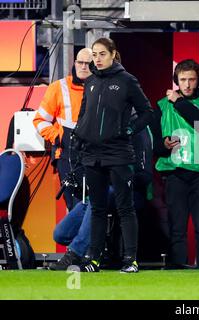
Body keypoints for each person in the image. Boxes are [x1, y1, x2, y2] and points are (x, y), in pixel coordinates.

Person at [73, 38, 153, 273]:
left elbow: (147, 113)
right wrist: (79, 138)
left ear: (113, 54)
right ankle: (94, 260)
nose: (96, 59)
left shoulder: (127, 80)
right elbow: (83, 114)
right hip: (92, 155)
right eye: (94, 55)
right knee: (97, 209)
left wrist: (128, 130)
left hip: (119, 154)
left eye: (101, 54)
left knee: (125, 208)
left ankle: (131, 261)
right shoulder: (90, 82)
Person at [48, 127, 153, 271]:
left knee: (101, 196)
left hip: (131, 192)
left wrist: (116, 178)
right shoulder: (109, 128)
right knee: (60, 234)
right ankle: (93, 248)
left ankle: (75, 255)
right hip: (102, 191)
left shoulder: (139, 132)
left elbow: (145, 176)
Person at [153, 59, 199, 269]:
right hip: (175, 173)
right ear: (176, 81)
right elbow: (154, 143)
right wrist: (163, 145)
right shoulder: (161, 106)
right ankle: (177, 271)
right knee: (177, 228)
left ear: (198, 81)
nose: (188, 84)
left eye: (191, 79)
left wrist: (179, 101)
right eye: (183, 80)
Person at [33, 48, 93, 210]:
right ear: (74, 63)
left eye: (88, 63)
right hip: (67, 156)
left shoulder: (102, 89)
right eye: (80, 62)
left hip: (95, 157)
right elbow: (40, 120)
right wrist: (57, 136)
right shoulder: (58, 87)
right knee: (75, 208)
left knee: (94, 209)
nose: (83, 67)